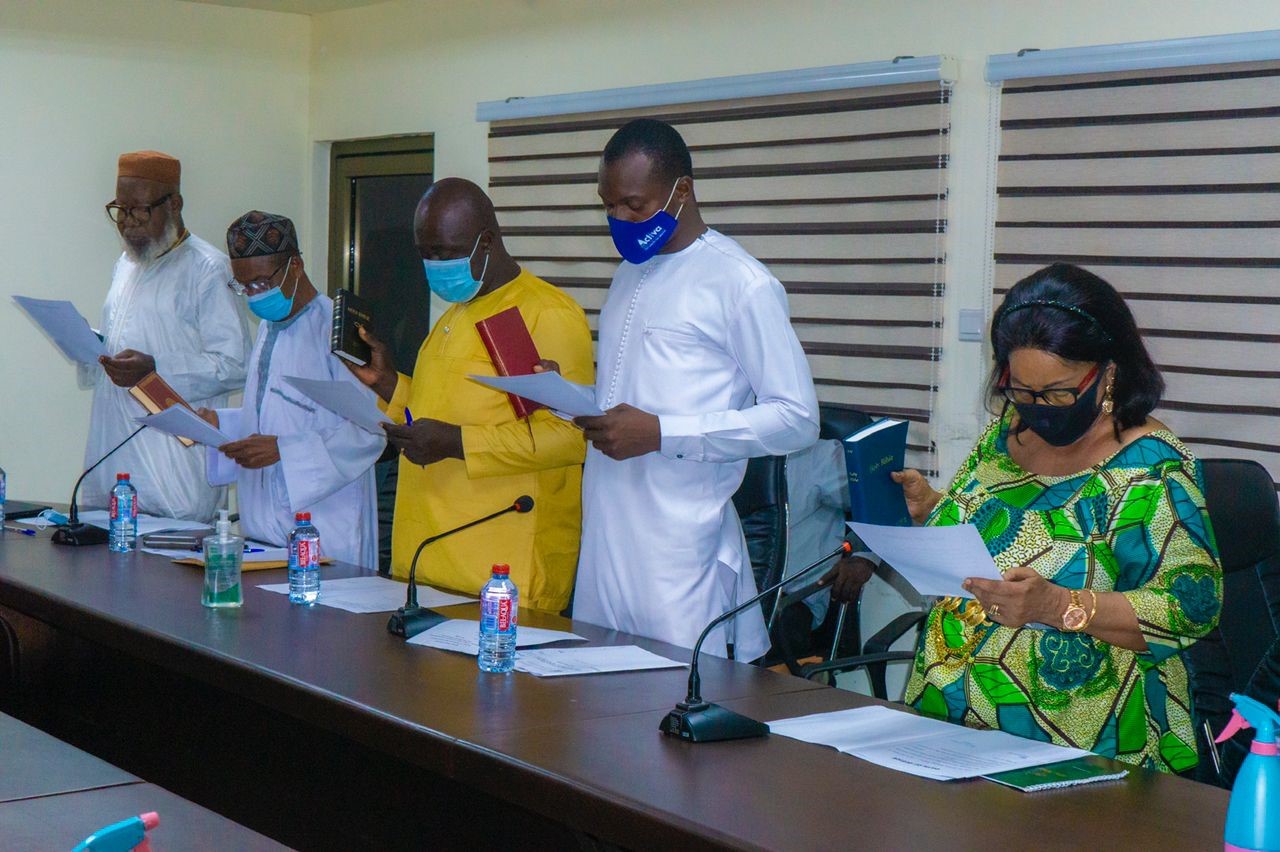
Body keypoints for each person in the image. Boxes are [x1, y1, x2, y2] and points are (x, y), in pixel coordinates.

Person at [830, 262, 1222, 773]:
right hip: (950, 728)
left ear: (1109, 371)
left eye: (1059, 392)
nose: (1039, 408)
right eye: (1021, 390)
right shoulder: (1007, 434)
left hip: (1086, 753)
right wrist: (933, 507)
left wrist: (1058, 606)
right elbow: (1005, 534)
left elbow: (1192, 607)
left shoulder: (1152, 469)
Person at [569, 119, 820, 661]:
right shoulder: (627, 275)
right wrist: (572, 396)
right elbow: (640, 392)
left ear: (682, 190)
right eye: (608, 205)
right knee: (590, 717)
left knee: (666, 716)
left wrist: (662, 433)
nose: (619, 219)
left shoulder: (740, 282)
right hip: (605, 537)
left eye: (634, 205)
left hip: (679, 553)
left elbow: (798, 417)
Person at [346, 179, 592, 611]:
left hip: (499, 571)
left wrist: (454, 443)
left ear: (488, 241)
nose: (434, 265)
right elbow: (436, 410)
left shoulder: (545, 313)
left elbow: (566, 438)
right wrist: (388, 384)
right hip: (426, 556)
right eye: (425, 253)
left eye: (445, 252)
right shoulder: (457, 312)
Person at [197, 212, 383, 568]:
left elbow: (369, 432)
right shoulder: (269, 327)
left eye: (262, 282)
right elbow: (278, 415)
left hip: (326, 532)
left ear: (295, 265)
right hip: (264, 533)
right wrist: (218, 423)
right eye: (243, 286)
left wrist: (284, 451)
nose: (254, 294)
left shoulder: (339, 330)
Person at [81, 151, 249, 521]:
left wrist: (156, 368)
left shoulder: (207, 269)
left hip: (174, 476)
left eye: (139, 210)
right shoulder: (126, 266)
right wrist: (89, 346)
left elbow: (236, 363)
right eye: (120, 210)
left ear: (174, 204)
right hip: (111, 466)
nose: (127, 223)